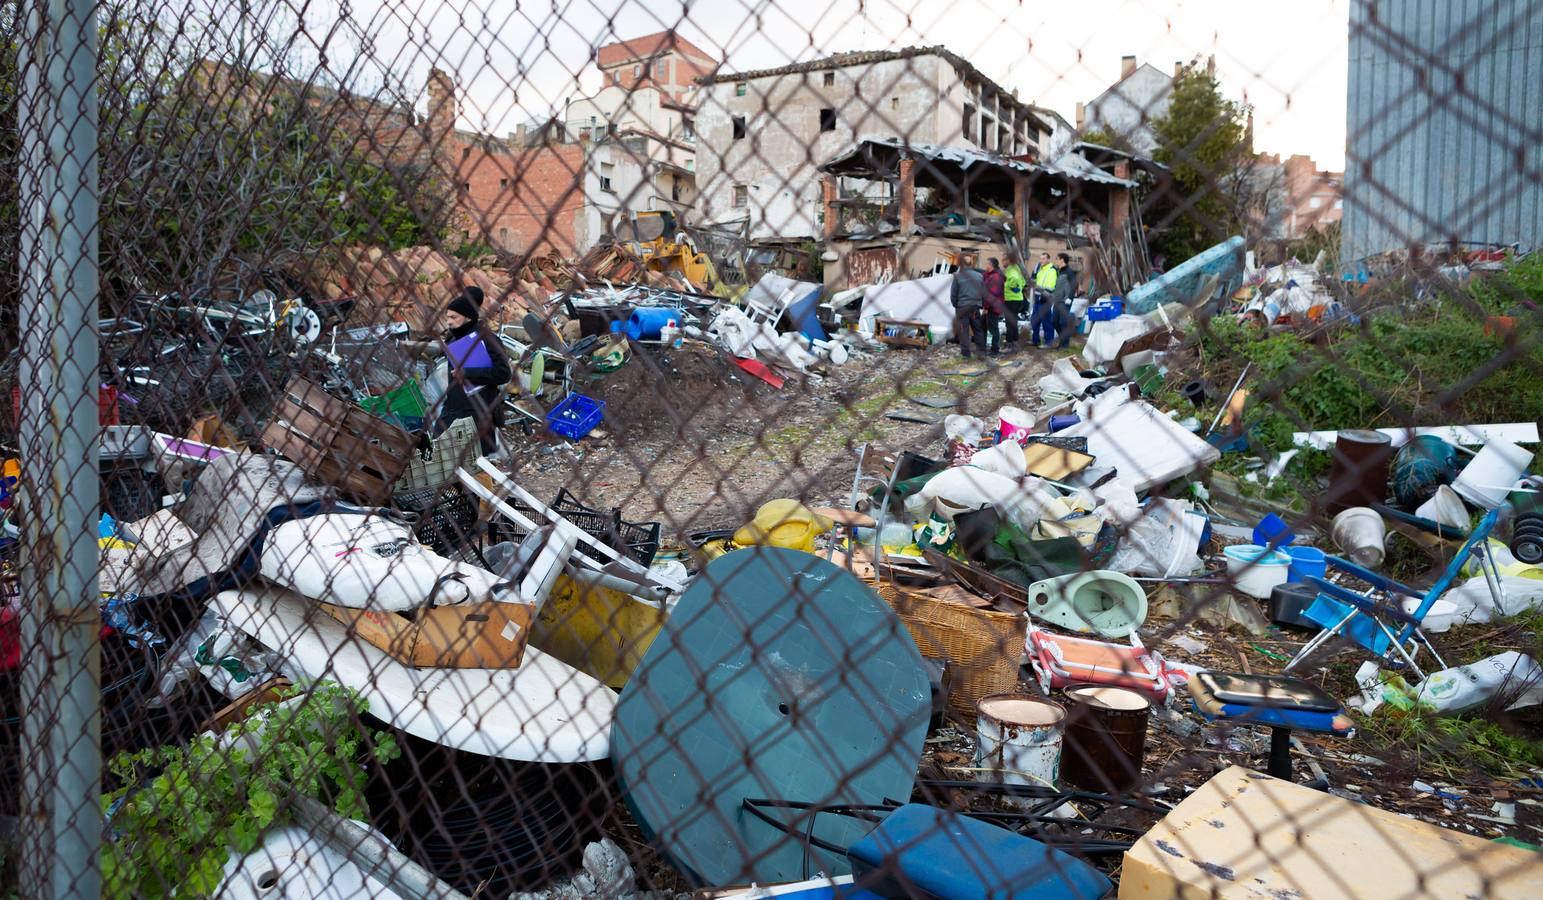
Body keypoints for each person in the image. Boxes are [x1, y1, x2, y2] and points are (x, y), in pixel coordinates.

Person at [435, 291, 512, 455]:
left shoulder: (487, 339)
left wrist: (468, 373)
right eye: (447, 317)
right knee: (437, 452)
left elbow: (503, 373)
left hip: (478, 411)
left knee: (476, 461)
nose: (449, 322)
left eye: (454, 317)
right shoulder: (453, 340)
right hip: (453, 407)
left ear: (468, 317)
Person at [949, 253, 986, 358]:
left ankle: (966, 354)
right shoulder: (979, 276)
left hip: (962, 307)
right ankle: (981, 353)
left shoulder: (957, 276)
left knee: (963, 330)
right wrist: (981, 304)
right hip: (975, 306)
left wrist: (956, 305)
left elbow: (953, 294)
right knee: (978, 330)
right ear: (971, 264)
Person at [1030, 251, 1059, 347]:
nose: (1041, 260)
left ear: (1048, 259)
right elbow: (1034, 282)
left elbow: (1051, 287)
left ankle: (1048, 342)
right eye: (1040, 258)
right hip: (1037, 298)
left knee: (1046, 322)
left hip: (1045, 299)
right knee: (1034, 320)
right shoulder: (1040, 269)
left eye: (1043, 259)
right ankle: (1035, 340)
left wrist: (1044, 296)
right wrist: (1034, 273)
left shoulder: (1052, 270)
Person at [1051, 252, 1079, 349]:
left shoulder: (1069, 272)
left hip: (1065, 301)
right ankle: (1063, 339)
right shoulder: (1060, 271)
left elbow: (1073, 285)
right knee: (1054, 321)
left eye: (1057, 259)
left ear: (1062, 260)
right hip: (1057, 300)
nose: (1056, 261)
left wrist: (1069, 298)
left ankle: (1064, 344)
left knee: (1063, 322)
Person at [1001, 256, 1027, 351]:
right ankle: (1014, 342)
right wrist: (1018, 288)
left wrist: (1009, 285)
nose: (1002, 262)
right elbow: (1023, 282)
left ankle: (1009, 343)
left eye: (1004, 260)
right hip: (1016, 298)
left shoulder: (1011, 271)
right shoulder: (1017, 269)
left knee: (1009, 322)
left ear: (1009, 260)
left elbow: (1014, 280)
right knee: (1013, 321)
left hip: (1011, 299)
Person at [981, 257, 1006, 356]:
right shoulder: (989, 275)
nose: (985, 266)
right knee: (983, 326)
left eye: (987, 264)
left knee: (993, 329)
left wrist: (986, 308)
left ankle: (995, 350)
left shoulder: (996, 277)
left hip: (993, 307)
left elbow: (991, 294)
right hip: (988, 306)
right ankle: (982, 348)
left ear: (991, 265)